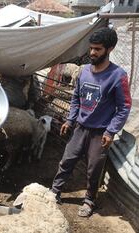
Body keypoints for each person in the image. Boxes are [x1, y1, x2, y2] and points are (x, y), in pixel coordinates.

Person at [50, 27, 132, 217]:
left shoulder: (118, 76)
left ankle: (89, 200)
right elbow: (76, 98)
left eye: (98, 49)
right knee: (66, 160)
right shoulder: (85, 71)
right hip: (80, 128)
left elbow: (124, 107)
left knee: (94, 168)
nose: (92, 52)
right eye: (91, 48)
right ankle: (55, 191)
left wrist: (111, 131)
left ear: (110, 49)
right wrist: (70, 120)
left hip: (100, 132)